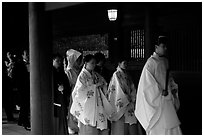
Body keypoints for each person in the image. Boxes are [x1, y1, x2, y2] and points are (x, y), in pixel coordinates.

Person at [135, 36, 182, 135]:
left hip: (167, 98)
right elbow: (147, 83)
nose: (165, 48)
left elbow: (169, 78)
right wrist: (160, 91)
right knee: (159, 128)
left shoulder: (165, 61)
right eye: (163, 46)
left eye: (166, 46)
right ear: (156, 47)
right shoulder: (151, 62)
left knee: (172, 126)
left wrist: (172, 88)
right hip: (158, 100)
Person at [70, 54, 114, 135]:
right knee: (89, 128)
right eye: (92, 63)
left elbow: (104, 83)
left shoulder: (96, 74)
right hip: (88, 106)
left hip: (98, 104)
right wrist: (95, 86)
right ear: (86, 63)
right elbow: (80, 92)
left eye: (95, 63)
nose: (94, 65)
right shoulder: (82, 76)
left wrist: (102, 85)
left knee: (100, 125)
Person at [107, 58, 138, 135]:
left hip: (129, 101)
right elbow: (116, 89)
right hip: (123, 100)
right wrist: (126, 97)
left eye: (127, 63)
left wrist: (132, 97)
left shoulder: (127, 74)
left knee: (130, 123)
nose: (126, 65)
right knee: (120, 125)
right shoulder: (116, 74)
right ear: (119, 63)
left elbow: (132, 87)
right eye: (124, 63)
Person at [64, 49, 82, 134]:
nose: (79, 61)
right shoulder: (69, 71)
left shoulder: (79, 69)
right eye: (77, 60)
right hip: (73, 91)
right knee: (73, 108)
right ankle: (71, 126)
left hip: (80, 91)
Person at [53, 54, 70, 135]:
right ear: (52, 61)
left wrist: (64, 87)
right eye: (57, 61)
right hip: (54, 98)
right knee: (55, 118)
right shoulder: (50, 73)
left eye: (60, 61)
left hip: (62, 97)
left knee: (62, 117)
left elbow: (67, 84)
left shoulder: (62, 73)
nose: (59, 63)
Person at [15, 50, 31, 130]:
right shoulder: (19, 64)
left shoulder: (31, 63)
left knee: (25, 105)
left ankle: (21, 121)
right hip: (22, 88)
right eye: (26, 54)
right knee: (24, 105)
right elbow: (16, 76)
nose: (28, 56)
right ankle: (25, 122)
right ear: (22, 55)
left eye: (28, 54)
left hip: (29, 87)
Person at [3, 51, 16, 122]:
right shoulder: (5, 62)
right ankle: (9, 117)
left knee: (7, 102)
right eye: (8, 54)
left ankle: (10, 116)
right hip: (6, 83)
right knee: (6, 102)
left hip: (9, 82)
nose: (10, 55)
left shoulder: (12, 61)